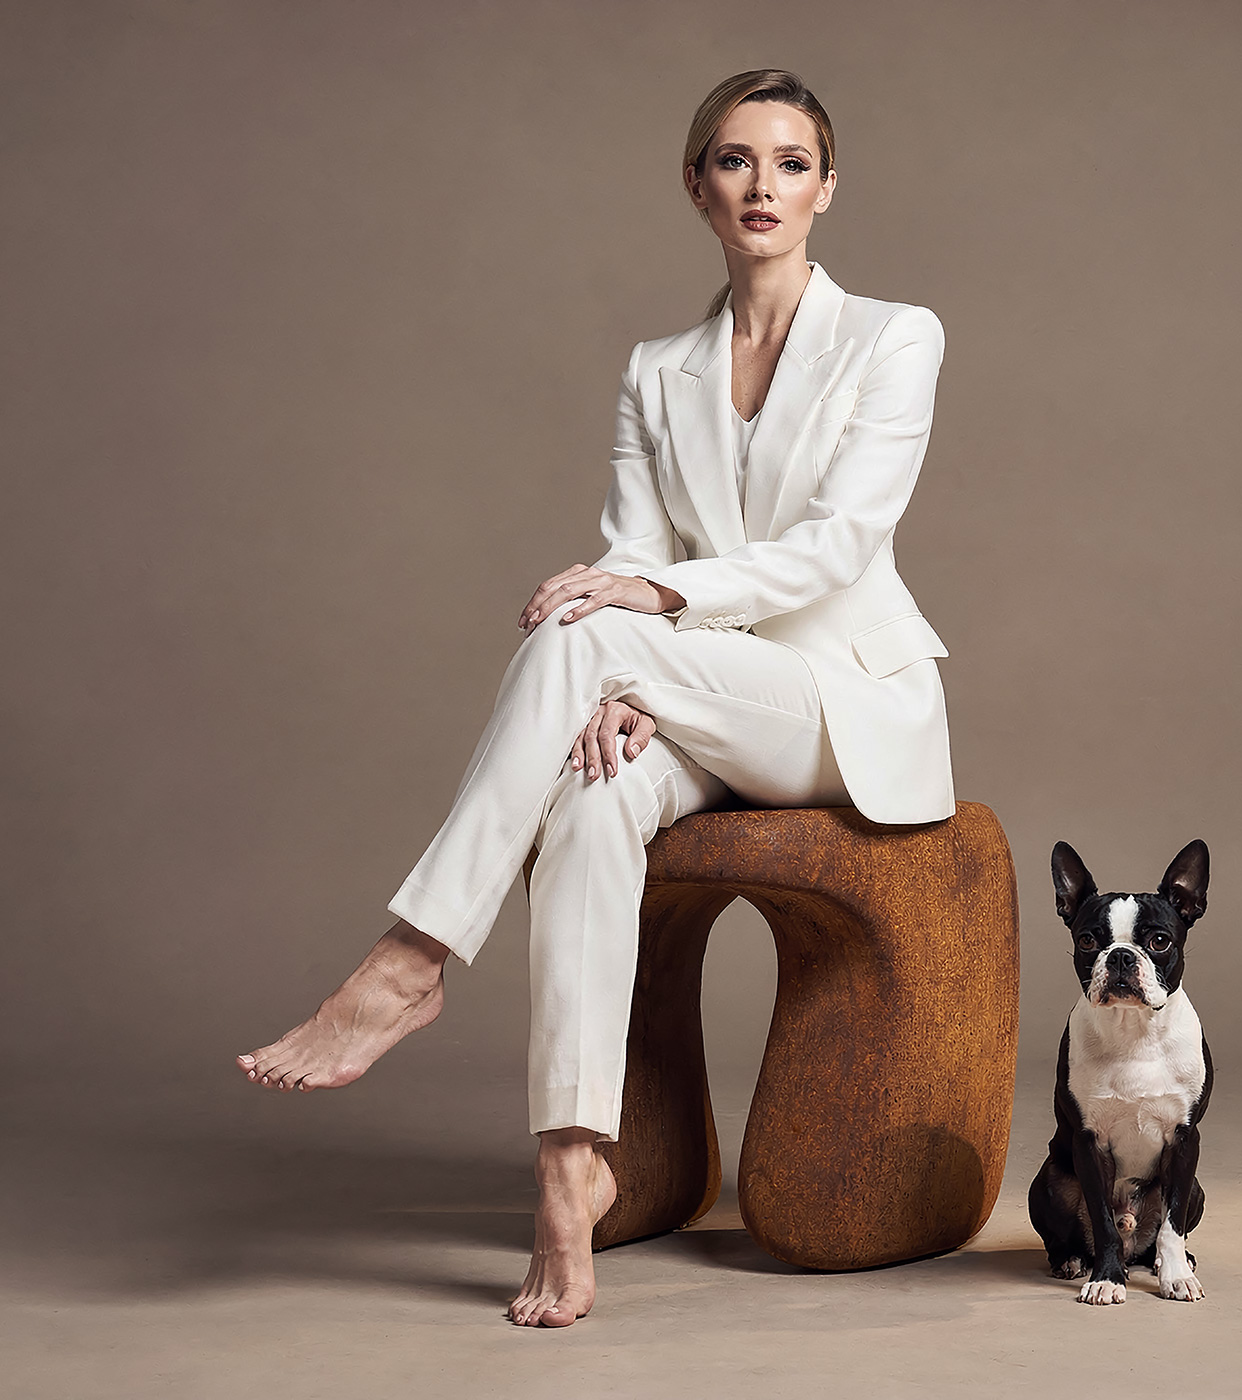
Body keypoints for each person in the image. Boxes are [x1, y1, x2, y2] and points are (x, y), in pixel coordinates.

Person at [236, 69, 954, 1328]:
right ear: (697, 186)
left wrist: (648, 633)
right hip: (692, 697)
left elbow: (834, 549)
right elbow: (625, 555)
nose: (763, 186)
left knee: (591, 630)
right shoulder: (655, 368)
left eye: (791, 163)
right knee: (588, 780)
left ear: (827, 189)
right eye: (735, 161)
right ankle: (570, 1171)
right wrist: (640, 673)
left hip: (837, 707)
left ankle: (409, 958)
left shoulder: (897, 336)